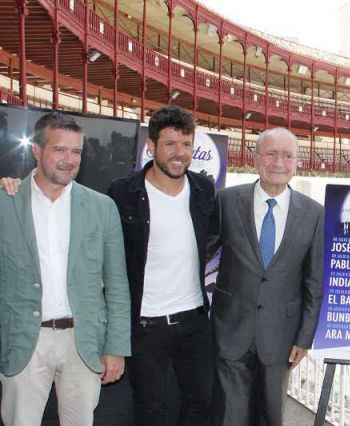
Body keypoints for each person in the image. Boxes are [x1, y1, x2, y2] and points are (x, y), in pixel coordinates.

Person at [0, 112, 131, 425]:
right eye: (59, 149)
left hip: (82, 341)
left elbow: (116, 283)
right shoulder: (7, 202)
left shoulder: (102, 207)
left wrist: (116, 347)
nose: (69, 159)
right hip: (23, 341)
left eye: (77, 151)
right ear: (37, 150)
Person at [107, 106, 216, 425]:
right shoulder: (123, 193)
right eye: (170, 144)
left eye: (186, 144)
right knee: (150, 410)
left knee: (201, 403)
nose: (179, 153)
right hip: (145, 325)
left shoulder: (204, 190)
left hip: (195, 322)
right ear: (151, 147)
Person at [210, 127, 323, 426]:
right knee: (229, 417)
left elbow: (314, 282)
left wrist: (304, 338)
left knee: (270, 417)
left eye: (287, 155)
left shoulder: (314, 213)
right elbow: (197, 255)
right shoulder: (226, 200)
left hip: (281, 338)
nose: (279, 162)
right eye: (271, 154)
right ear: (256, 159)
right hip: (229, 330)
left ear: (297, 162)